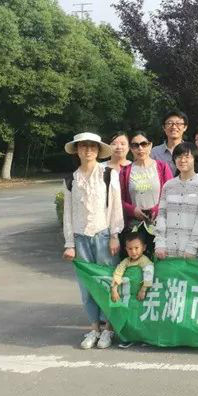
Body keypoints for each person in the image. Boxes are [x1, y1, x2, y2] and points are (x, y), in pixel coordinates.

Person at [61, 132, 123, 350]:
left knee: (106, 282)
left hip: (103, 235)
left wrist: (114, 235)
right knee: (86, 285)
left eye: (92, 146)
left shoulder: (108, 174)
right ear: (77, 150)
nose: (88, 150)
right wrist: (69, 244)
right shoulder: (71, 179)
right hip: (80, 238)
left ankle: (108, 328)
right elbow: (68, 214)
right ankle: (94, 327)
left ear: (98, 150)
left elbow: (115, 206)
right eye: (83, 146)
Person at [154, 142, 198, 259]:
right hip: (167, 251)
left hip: (192, 253)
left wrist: (192, 247)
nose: (182, 160)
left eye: (187, 157)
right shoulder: (168, 186)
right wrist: (160, 243)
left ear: (195, 159)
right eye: (178, 157)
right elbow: (162, 215)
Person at [119, 131, 173, 253]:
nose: (140, 148)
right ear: (131, 148)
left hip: (159, 224)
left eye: (144, 144)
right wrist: (132, 210)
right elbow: (118, 199)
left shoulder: (162, 167)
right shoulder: (125, 171)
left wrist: (156, 209)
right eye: (135, 145)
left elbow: (170, 194)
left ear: (150, 145)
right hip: (134, 227)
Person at [110, 232, 154, 303]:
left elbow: (149, 273)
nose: (133, 252)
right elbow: (118, 272)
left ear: (144, 247)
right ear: (126, 249)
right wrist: (114, 290)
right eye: (130, 249)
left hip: (141, 293)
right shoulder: (126, 261)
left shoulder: (145, 261)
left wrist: (143, 290)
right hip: (128, 293)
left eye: (136, 248)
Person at [151, 110, 189, 174]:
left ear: (185, 127)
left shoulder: (191, 150)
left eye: (178, 123)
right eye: (169, 123)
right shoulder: (154, 152)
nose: (174, 127)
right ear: (164, 127)